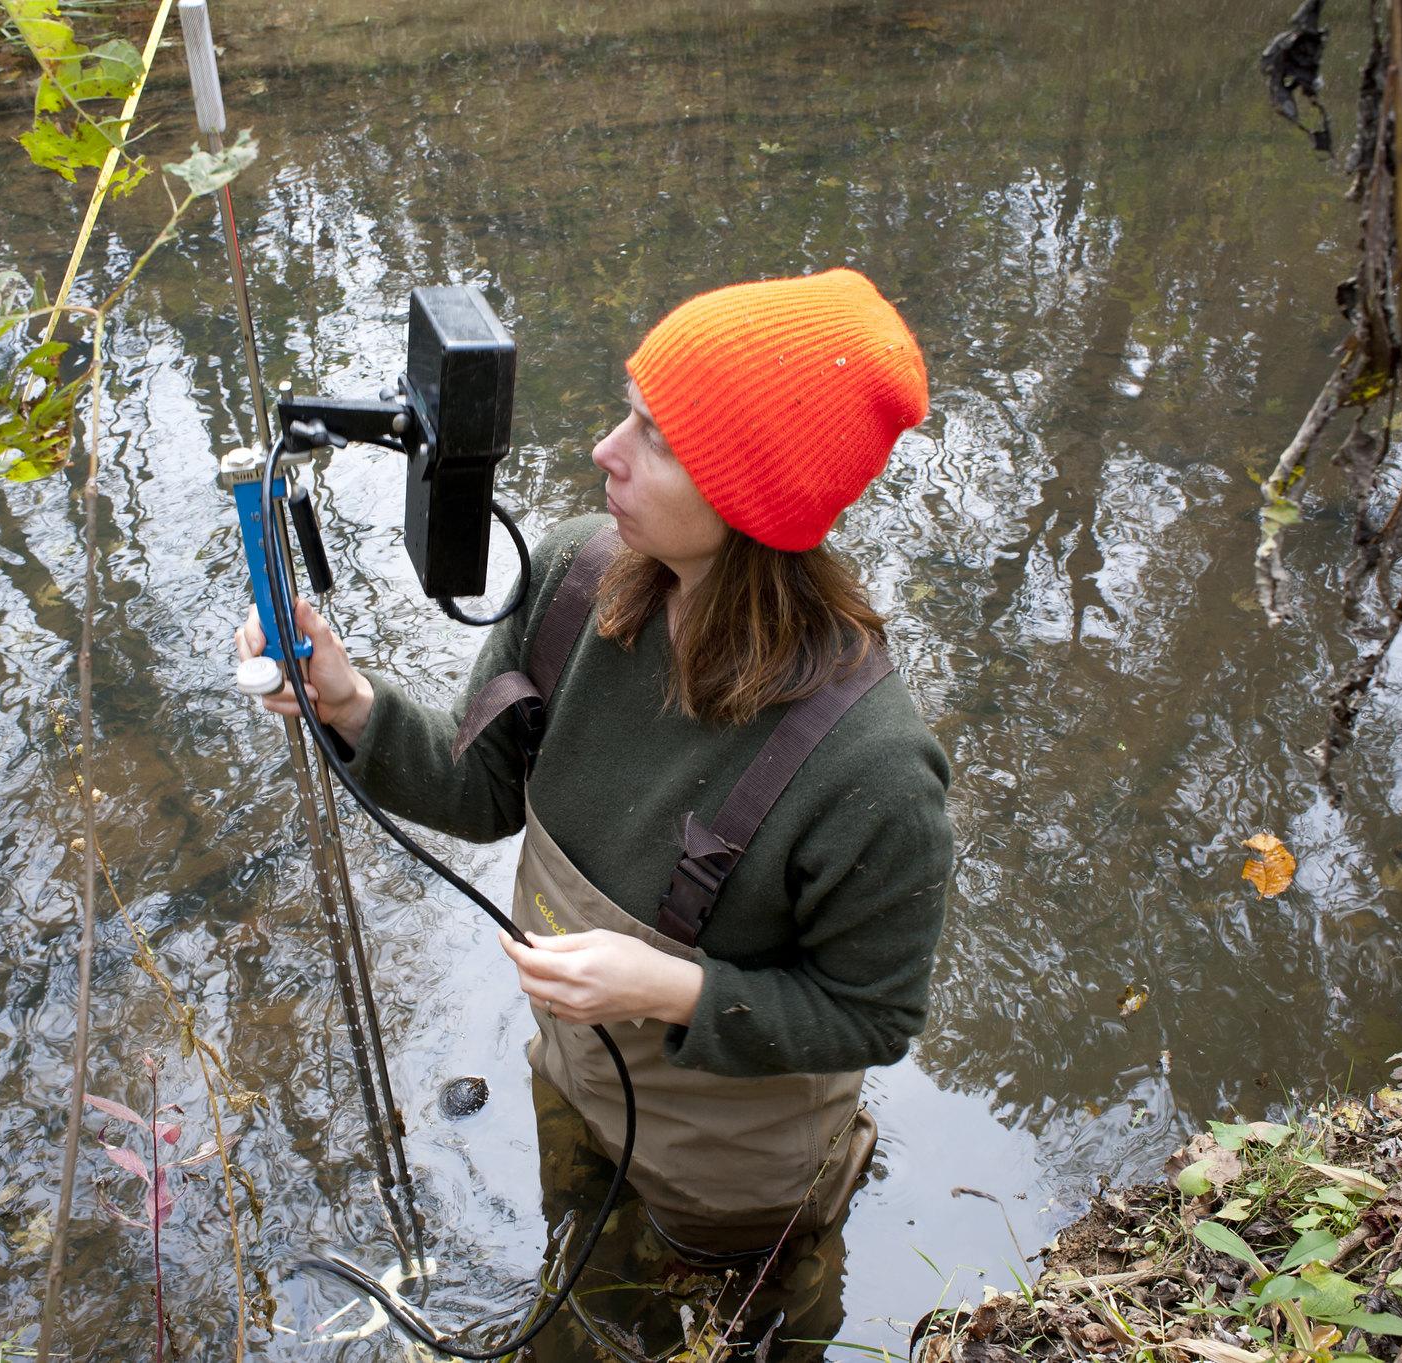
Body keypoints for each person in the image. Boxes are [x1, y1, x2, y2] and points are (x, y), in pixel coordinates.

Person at [237, 268, 952, 1334]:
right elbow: (482, 791)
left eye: (655, 436)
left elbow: (874, 1014)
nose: (603, 449)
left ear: (750, 496)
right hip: (571, 1077)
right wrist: (350, 703)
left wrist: (667, 989)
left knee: (713, 1340)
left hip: (732, 1183)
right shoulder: (578, 578)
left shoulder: (874, 770)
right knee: (577, 1298)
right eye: (629, 407)